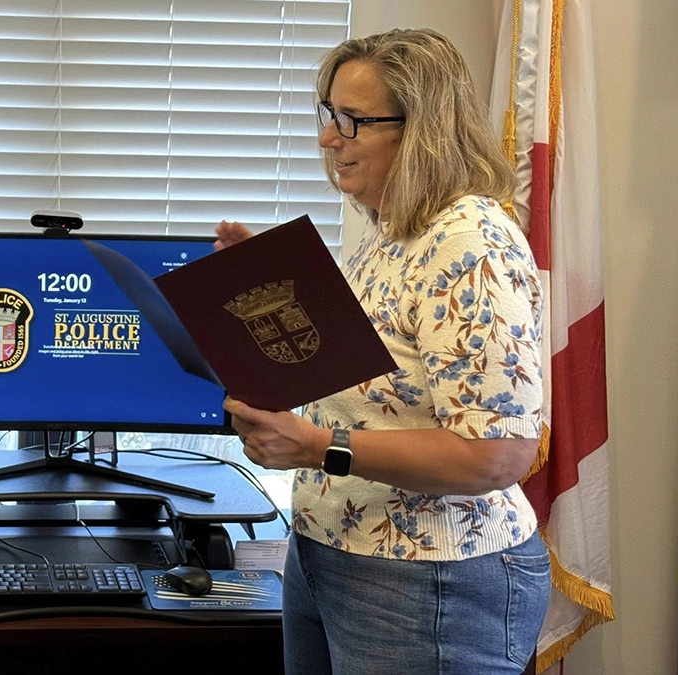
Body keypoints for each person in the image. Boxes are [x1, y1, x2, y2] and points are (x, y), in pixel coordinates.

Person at [216, 29, 551, 674]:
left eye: (352, 121)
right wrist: (261, 294)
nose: (326, 139)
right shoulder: (388, 229)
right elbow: (379, 382)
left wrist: (315, 447)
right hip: (329, 550)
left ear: (422, 128)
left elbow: (496, 453)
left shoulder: (471, 243)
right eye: (328, 115)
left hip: (429, 582)